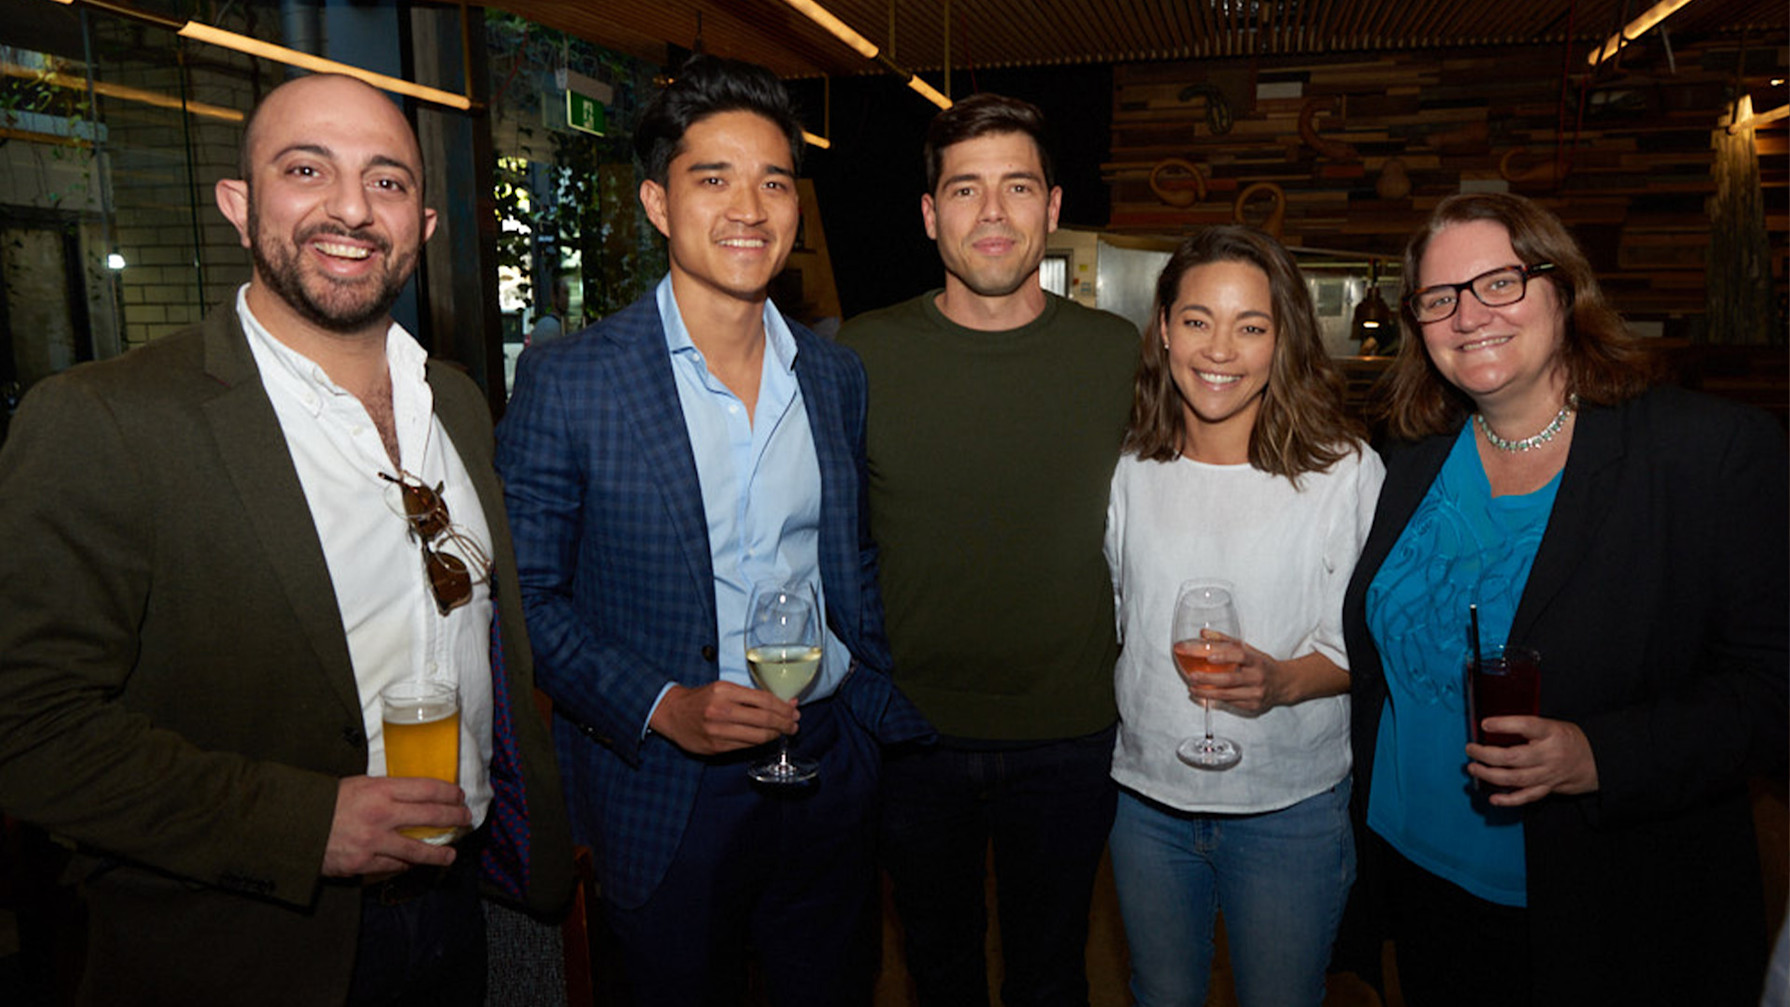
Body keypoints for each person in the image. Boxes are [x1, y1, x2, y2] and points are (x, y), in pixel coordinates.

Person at [0, 73, 572, 1006]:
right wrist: (303, 826)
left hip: (460, 904)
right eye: (307, 170)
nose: (351, 207)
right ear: (239, 205)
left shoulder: (458, 403)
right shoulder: (108, 420)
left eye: (387, 181)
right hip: (252, 944)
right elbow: (26, 726)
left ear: (423, 225)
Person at [494, 55, 930, 1006]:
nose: (749, 208)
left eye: (774, 182)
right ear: (658, 203)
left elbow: (848, 554)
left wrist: (863, 698)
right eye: (714, 178)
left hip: (826, 760)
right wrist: (661, 704)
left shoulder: (834, 375)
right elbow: (524, 598)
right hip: (668, 784)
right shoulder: (573, 381)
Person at [1342, 192, 1788, 1005]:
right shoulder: (1411, 451)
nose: (1468, 315)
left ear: (1564, 287)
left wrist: (1600, 755)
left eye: (1499, 283)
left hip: (1608, 901)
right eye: (1439, 297)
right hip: (1417, 874)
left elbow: (1773, 688)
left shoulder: (1705, 453)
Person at [837, 93, 1139, 1007]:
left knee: (1053, 976)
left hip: (1072, 733)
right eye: (967, 189)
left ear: (1054, 206)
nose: (994, 213)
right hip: (912, 735)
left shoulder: (1118, 353)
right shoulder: (862, 353)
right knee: (940, 976)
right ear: (931, 215)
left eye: (1019, 187)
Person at [1105, 226, 1382, 1007]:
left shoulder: (1343, 473)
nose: (1220, 350)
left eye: (1250, 326)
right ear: (1164, 329)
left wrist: (1282, 681)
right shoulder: (1129, 467)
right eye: (1198, 320)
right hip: (1147, 801)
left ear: (1283, 339)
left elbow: (1372, 645)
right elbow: (1121, 618)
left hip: (1287, 808)